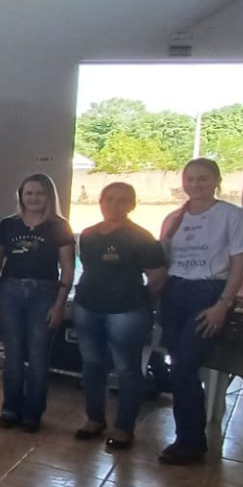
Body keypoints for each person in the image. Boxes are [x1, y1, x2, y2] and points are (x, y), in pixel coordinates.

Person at [156, 158, 243, 465]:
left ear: (216, 181)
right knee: (177, 364)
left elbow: (240, 262)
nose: (196, 184)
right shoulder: (174, 218)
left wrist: (223, 304)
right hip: (175, 292)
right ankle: (186, 437)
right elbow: (163, 259)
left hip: (209, 293)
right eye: (190, 179)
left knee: (186, 366)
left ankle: (190, 442)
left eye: (203, 178)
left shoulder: (233, 216)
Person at [72, 183, 166, 451]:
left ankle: (124, 428)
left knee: (127, 369)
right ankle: (94, 419)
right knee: (92, 365)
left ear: (131, 205)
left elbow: (158, 277)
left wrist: (138, 301)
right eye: (109, 199)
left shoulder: (142, 237)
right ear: (100, 201)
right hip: (88, 307)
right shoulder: (88, 235)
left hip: (126, 312)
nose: (114, 205)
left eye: (122, 200)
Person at [0, 174, 75, 432]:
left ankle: (32, 412)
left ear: (49, 196)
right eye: (29, 193)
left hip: (44, 293)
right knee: (13, 355)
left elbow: (67, 269)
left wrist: (59, 305)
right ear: (21, 196)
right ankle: (10, 409)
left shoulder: (59, 226)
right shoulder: (8, 225)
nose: (34, 198)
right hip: (10, 291)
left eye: (40, 193)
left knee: (38, 356)